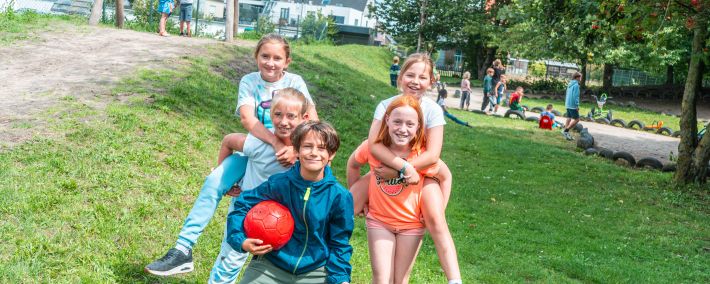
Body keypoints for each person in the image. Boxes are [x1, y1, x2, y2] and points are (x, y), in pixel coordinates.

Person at [145, 33, 318, 277]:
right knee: (215, 180)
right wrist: (275, 143)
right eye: (264, 56)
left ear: (287, 61)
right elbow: (247, 118)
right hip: (256, 147)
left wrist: (295, 149)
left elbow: (313, 120)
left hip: (285, 158)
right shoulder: (249, 81)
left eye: (277, 57)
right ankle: (183, 249)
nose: (270, 62)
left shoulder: (296, 82)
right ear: (256, 57)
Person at [349, 53, 462, 283]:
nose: (415, 81)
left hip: (422, 171)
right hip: (387, 178)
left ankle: (455, 279)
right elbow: (373, 146)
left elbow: (433, 156)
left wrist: (405, 170)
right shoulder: (385, 106)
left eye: (422, 77)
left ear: (431, 81)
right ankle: (321, 257)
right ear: (400, 77)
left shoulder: (432, 111)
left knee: (436, 222)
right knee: (381, 276)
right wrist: (400, 167)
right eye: (410, 74)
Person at [226, 121, 353, 284]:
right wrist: (240, 240)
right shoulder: (279, 184)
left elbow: (339, 242)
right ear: (297, 150)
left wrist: (341, 279)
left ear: (332, 154)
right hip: (270, 265)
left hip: (316, 271)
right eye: (307, 146)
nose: (314, 153)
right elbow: (243, 205)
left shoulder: (340, 196)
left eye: (321, 148)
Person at [347, 96, 437, 283]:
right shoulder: (372, 148)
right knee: (382, 278)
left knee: (400, 280)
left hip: (411, 225)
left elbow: (446, 177)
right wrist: (360, 196)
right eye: (397, 121)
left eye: (409, 124)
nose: (402, 129)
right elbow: (352, 164)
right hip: (380, 222)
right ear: (387, 120)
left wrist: (436, 212)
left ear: (419, 126)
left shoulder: (422, 155)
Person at [563, 72, 582, 140]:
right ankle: (566, 130)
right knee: (577, 119)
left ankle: (565, 133)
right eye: (580, 77)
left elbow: (567, 94)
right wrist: (577, 105)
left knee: (569, 117)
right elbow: (575, 96)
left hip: (568, 104)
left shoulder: (570, 84)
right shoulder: (576, 85)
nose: (581, 79)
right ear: (577, 77)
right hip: (573, 105)